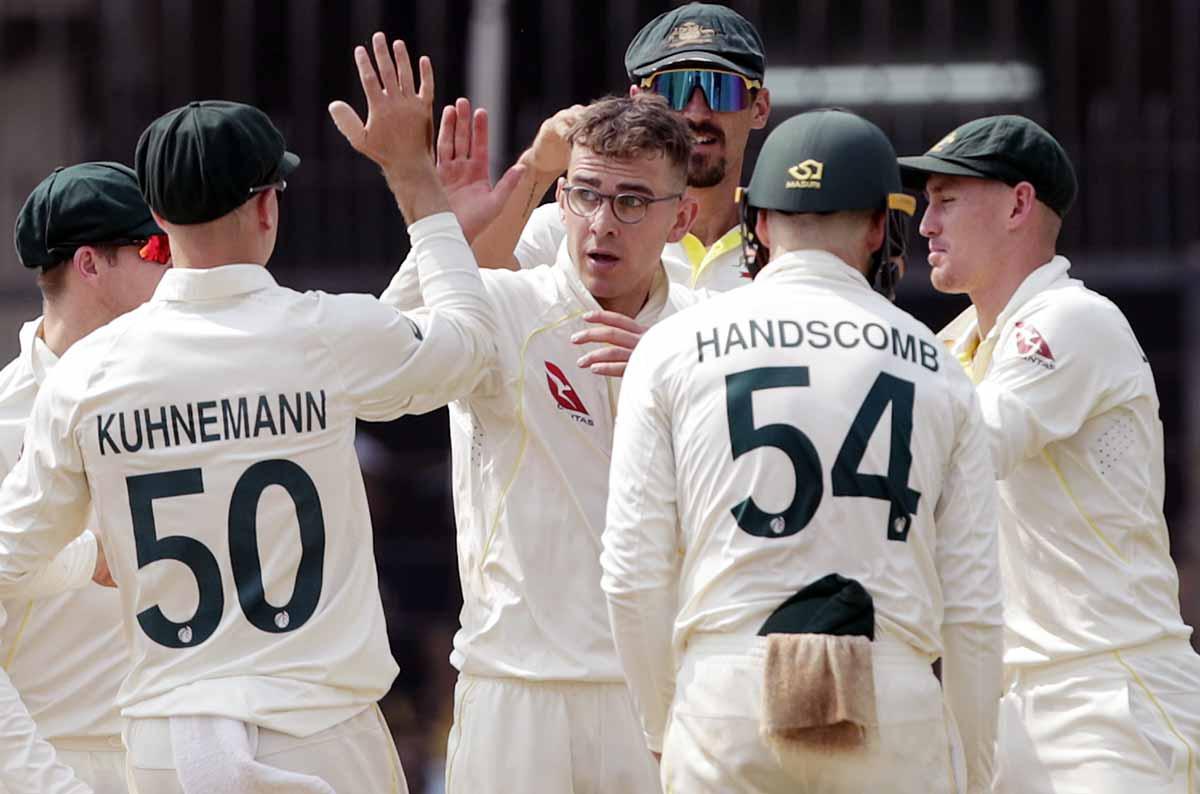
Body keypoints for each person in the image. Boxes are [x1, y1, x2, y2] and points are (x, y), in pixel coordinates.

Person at [0, 33, 501, 793]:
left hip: (166, 746)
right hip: (317, 727)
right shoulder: (322, 333)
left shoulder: (86, 379)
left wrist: (78, 560)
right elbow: (469, 346)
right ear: (268, 206)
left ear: (160, 221)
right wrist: (415, 184)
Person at [601, 108, 1003, 794]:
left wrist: (665, 726)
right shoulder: (939, 367)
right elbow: (974, 609)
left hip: (726, 683)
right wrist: (973, 759)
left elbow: (631, 576)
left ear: (757, 223)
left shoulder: (670, 348)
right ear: (881, 226)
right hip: (893, 687)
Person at [381, 92, 700, 794]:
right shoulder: (503, 304)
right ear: (561, 197)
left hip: (656, 693)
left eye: (632, 202)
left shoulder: (706, 335)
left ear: (683, 217)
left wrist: (671, 368)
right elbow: (383, 372)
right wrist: (446, 241)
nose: (602, 224)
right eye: (586, 195)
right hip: (513, 687)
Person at [901, 115, 1200, 793]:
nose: (925, 225)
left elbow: (966, 451)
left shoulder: (1073, 318)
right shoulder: (951, 345)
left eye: (947, 199)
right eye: (926, 203)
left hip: (1109, 693)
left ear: (1018, 203)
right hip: (1002, 702)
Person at [0, 161, 171, 794]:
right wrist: (85, 557)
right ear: (90, 265)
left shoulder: (179, 393)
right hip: (47, 757)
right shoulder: (5, 417)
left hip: (167, 751)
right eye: (155, 247)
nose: (175, 263)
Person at [473, 1, 770, 292]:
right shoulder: (581, 220)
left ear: (759, 108)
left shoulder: (784, 240)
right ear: (639, 101)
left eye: (722, 90)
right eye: (673, 89)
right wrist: (537, 168)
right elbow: (479, 287)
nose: (696, 113)